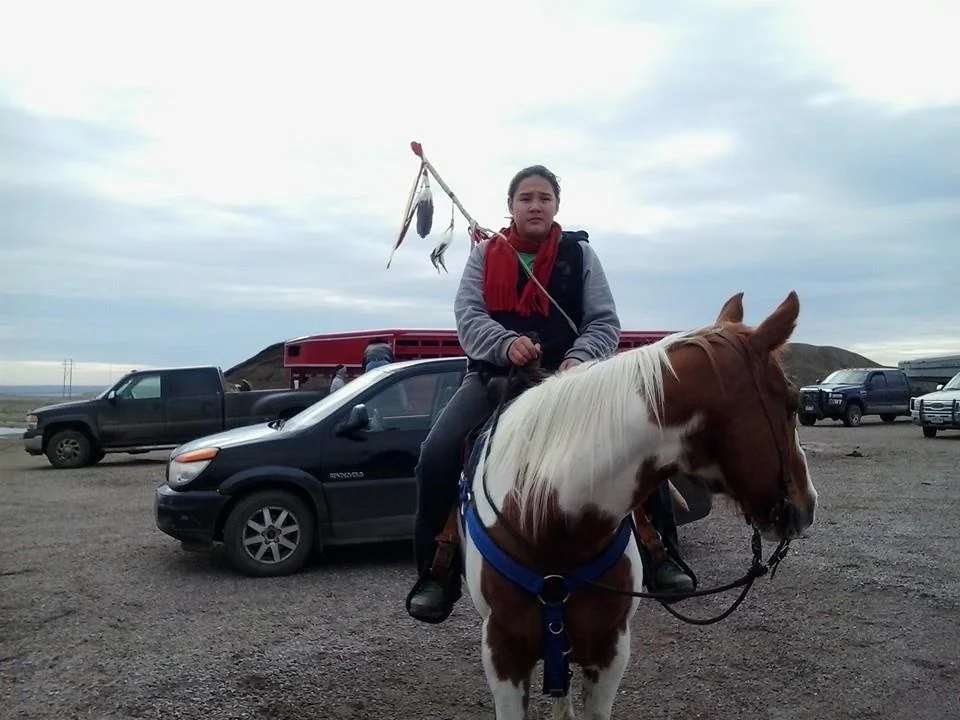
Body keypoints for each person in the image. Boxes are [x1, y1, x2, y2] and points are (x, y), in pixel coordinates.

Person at [406, 164, 694, 624]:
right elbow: (468, 317)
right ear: (511, 207)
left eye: (544, 197)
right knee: (436, 455)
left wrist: (579, 360)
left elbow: (604, 322)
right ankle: (436, 573)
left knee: (637, 449)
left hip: (570, 384)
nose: (535, 205)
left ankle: (663, 557)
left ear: (557, 205)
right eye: (525, 198)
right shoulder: (484, 255)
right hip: (494, 380)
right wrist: (505, 344)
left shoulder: (581, 256)